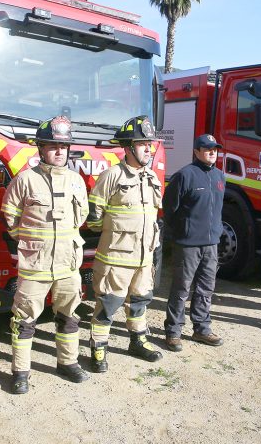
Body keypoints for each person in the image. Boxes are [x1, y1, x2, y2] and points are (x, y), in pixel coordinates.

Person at [1, 116, 89, 394]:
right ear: (40, 148)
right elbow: (10, 217)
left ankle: (68, 362)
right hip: (35, 265)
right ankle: (21, 372)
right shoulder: (25, 180)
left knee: (69, 316)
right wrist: (29, 243)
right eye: (53, 146)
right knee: (24, 320)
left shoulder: (76, 181)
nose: (59, 151)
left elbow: (82, 216)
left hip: (67, 264)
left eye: (64, 146)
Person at [87, 116, 164, 372]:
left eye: (150, 144)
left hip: (144, 257)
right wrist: (113, 238)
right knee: (108, 303)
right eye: (143, 144)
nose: (148, 149)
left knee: (140, 301)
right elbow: (94, 216)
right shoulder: (112, 175)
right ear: (128, 147)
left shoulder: (152, 177)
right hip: (116, 258)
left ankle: (138, 341)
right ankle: (99, 348)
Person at [163, 134, 226, 350]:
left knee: (206, 288)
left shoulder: (219, 176)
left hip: (211, 244)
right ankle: (173, 331)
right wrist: (178, 235)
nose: (212, 152)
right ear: (196, 152)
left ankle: (202, 329)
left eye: (215, 149)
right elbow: (170, 209)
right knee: (181, 289)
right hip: (187, 245)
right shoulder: (184, 176)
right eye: (207, 149)